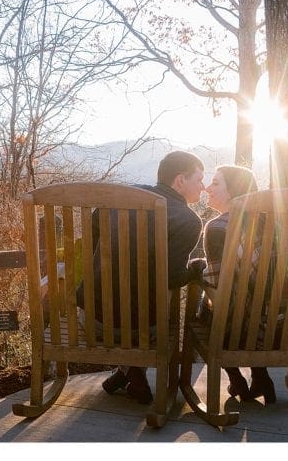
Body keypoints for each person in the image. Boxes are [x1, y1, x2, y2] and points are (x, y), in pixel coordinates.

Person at [76, 150, 206, 404]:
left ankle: (129, 375)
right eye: (199, 179)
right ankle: (133, 373)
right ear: (180, 181)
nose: (203, 186)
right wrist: (195, 268)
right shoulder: (188, 220)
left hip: (94, 319)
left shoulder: (119, 197)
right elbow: (172, 278)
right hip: (143, 330)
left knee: (134, 300)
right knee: (151, 311)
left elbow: (90, 246)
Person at [199, 164, 277, 403]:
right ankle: (261, 376)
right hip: (271, 320)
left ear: (233, 191)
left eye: (215, 183)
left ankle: (235, 378)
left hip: (233, 326)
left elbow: (218, 284)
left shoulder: (218, 227)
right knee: (249, 303)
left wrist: (197, 270)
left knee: (205, 316)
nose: (207, 188)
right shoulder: (268, 225)